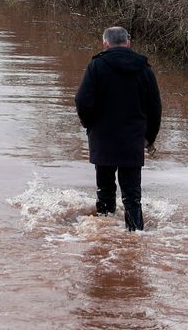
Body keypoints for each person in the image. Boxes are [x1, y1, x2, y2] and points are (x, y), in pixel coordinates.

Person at [75, 26, 162, 231]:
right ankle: (134, 238)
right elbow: (155, 107)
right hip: (133, 140)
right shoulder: (144, 68)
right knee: (132, 197)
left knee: (105, 191)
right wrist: (149, 137)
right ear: (128, 43)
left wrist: (89, 125)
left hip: (103, 138)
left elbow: (82, 100)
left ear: (105, 44)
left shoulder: (96, 66)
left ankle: (105, 237)